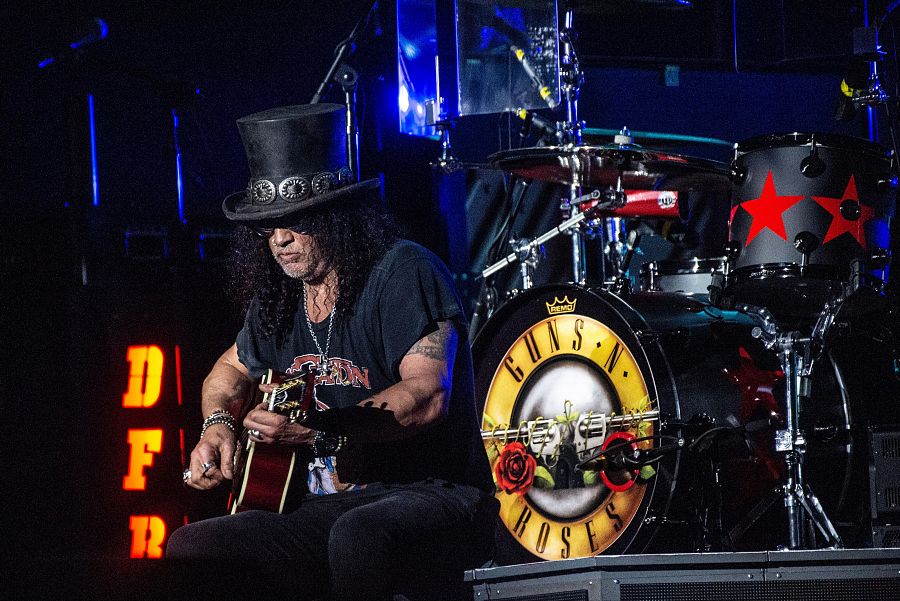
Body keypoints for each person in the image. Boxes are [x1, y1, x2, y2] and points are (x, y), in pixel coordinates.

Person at [166, 104, 497, 600]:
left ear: (336, 215)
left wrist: (324, 430)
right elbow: (228, 371)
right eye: (267, 226)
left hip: (431, 493)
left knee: (359, 536)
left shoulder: (402, 271)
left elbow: (428, 394)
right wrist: (219, 425)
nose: (279, 240)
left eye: (294, 222)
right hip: (330, 507)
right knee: (196, 546)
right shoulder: (280, 296)